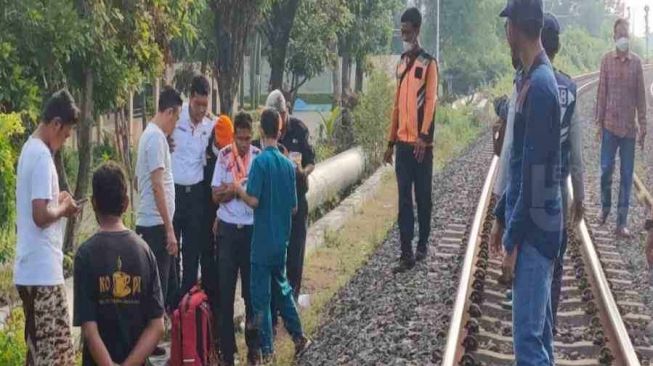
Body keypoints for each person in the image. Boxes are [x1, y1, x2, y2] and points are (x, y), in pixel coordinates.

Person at [492, 0, 563, 363]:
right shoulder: (529, 80)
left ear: (516, 28)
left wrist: (513, 242)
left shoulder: (540, 87)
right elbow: (519, 162)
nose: (506, 32)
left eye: (507, 25)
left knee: (528, 343)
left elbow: (533, 176)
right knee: (539, 338)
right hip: (538, 224)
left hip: (537, 231)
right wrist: (500, 212)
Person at [236, 108, 311, 362]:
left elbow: (254, 200)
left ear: (260, 131)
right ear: (279, 131)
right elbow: (293, 207)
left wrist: (238, 190)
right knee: (283, 289)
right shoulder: (288, 165)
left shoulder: (260, 162)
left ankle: (267, 351)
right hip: (282, 241)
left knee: (260, 299)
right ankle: (299, 336)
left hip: (261, 244)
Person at [74, 162, 165, 366]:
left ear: (93, 203)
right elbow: (157, 325)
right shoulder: (144, 251)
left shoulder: (85, 255)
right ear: (125, 204)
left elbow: (89, 329)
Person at [14, 89, 80, 365]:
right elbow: (40, 214)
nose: (64, 141)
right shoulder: (41, 156)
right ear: (55, 124)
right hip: (43, 274)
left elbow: (40, 208)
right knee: (57, 355)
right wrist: (64, 209)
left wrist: (58, 200)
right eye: (65, 135)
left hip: (31, 270)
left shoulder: (29, 150)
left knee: (38, 352)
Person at [383, 7, 439, 273]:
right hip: (403, 147)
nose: (403, 34)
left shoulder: (429, 64)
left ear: (417, 29)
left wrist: (424, 136)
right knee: (404, 199)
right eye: (401, 30)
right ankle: (406, 253)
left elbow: (430, 103)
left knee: (423, 197)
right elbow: (396, 106)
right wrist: (390, 142)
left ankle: (423, 244)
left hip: (421, 147)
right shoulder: (402, 63)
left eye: (407, 30)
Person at [541, 12, 585, 330]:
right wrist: (579, 196)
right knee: (555, 259)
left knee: (533, 258)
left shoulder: (526, 81)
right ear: (557, 47)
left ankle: (533, 318)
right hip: (557, 187)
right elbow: (577, 153)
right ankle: (550, 322)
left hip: (529, 187)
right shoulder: (569, 88)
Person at [135, 86, 182, 355]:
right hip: (155, 226)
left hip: (156, 223)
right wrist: (170, 229)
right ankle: (150, 346)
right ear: (168, 112)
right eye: (175, 118)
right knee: (157, 291)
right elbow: (156, 185)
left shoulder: (155, 138)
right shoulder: (154, 138)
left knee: (166, 287)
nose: (176, 124)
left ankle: (158, 342)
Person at [211, 112, 260, 365]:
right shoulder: (223, 156)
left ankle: (254, 349)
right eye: (240, 138)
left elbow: (257, 197)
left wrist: (232, 190)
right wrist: (237, 191)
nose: (243, 143)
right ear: (233, 136)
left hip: (251, 232)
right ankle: (228, 355)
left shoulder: (258, 158)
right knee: (226, 294)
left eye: (247, 138)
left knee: (251, 295)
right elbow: (216, 195)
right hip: (228, 231)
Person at [595, 18, 647, 238]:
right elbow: (601, 93)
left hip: (628, 130)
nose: (623, 37)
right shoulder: (606, 61)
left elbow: (641, 98)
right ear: (614, 37)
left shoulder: (636, 63)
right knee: (606, 169)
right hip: (609, 126)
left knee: (626, 175)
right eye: (619, 34)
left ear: (629, 35)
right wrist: (598, 124)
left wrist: (643, 125)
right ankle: (605, 207)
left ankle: (621, 223)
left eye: (626, 33)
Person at [169, 75, 215, 306]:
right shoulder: (175, 120)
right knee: (172, 248)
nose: (201, 110)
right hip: (174, 192)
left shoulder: (211, 124)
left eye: (205, 105)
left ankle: (188, 303)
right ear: (190, 99)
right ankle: (172, 302)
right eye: (197, 104)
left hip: (196, 194)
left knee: (192, 250)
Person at [265, 89, 315, 299]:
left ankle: (292, 298)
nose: (280, 122)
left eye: (283, 116)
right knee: (274, 254)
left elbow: (312, 160)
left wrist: (302, 172)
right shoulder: (266, 134)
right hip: (274, 204)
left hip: (296, 198)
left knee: (295, 252)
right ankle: (275, 300)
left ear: (287, 113)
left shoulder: (299, 129)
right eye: (276, 117)